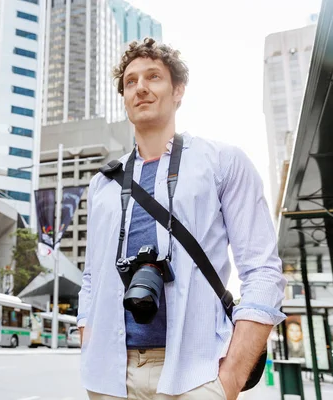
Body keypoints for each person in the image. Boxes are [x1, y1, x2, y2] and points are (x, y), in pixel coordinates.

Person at [77, 38, 287, 400]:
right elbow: (92, 278)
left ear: (178, 90)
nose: (140, 87)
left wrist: (231, 377)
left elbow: (262, 271)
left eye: (153, 77)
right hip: (109, 376)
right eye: (130, 82)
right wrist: (88, 343)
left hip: (198, 372)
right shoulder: (102, 185)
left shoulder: (223, 162)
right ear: (124, 97)